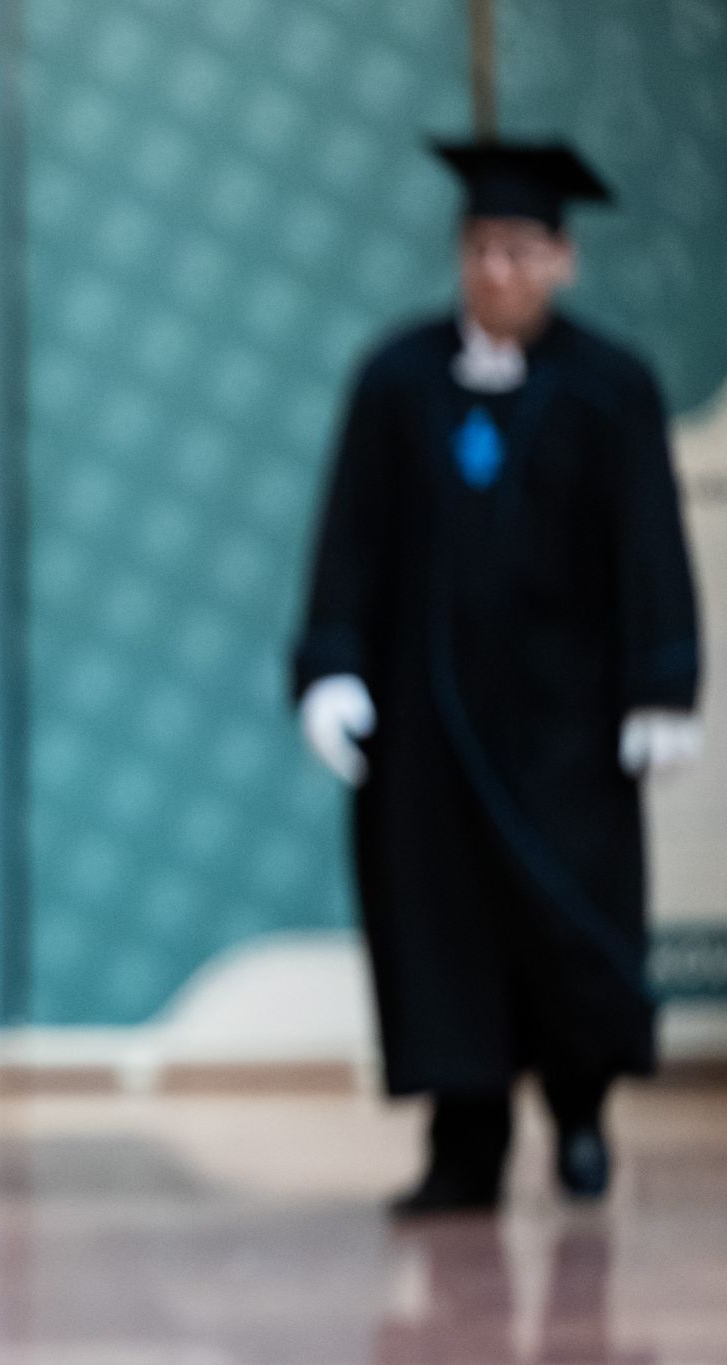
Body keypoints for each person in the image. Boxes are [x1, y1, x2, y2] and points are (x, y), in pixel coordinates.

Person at [291, 139, 703, 1214]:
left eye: (519, 251)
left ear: (562, 259)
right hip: (428, 723)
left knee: (566, 923)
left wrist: (662, 686)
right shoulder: (397, 379)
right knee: (441, 932)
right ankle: (461, 1149)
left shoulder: (610, 387)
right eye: (479, 248)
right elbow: (349, 535)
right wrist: (330, 665)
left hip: (568, 726)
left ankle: (579, 1117)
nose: (497, 271)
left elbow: (649, 544)